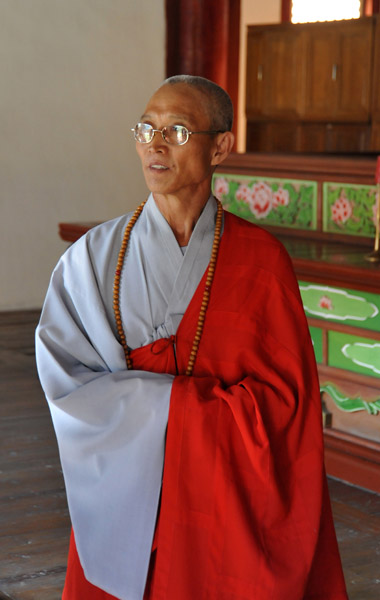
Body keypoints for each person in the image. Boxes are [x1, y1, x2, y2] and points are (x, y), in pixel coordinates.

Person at [36, 75, 348, 600]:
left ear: (220, 147)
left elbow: (285, 405)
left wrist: (167, 408)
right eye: (146, 129)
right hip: (127, 483)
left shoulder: (263, 262)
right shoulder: (91, 258)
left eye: (177, 131)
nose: (155, 146)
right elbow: (67, 380)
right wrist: (183, 408)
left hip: (222, 497)